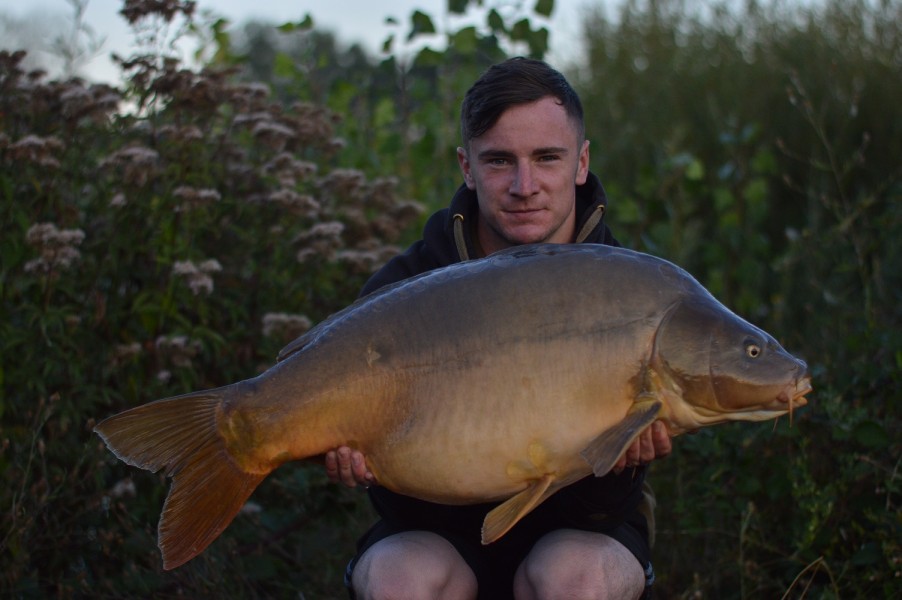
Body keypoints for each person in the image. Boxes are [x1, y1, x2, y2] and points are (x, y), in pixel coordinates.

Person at [327, 57, 672, 600]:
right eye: (499, 161)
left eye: (547, 158)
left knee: (577, 577)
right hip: (439, 530)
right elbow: (399, 510)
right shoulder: (409, 286)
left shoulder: (626, 290)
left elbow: (607, 513)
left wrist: (625, 462)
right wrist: (372, 466)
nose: (524, 185)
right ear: (466, 166)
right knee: (399, 577)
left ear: (581, 162)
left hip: (581, 532)